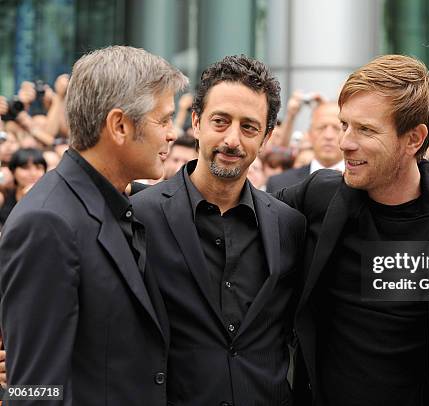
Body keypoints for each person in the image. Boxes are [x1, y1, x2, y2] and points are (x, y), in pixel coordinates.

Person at [276, 54, 429, 406]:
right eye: (345, 125)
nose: (345, 142)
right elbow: (238, 219)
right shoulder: (319, 198)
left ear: (414, 139)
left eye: (366, 130)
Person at [0, 45, 188, 405]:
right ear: (119, 125)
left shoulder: (116, 203)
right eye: (162, 120)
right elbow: (35, 392)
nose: (170, 134)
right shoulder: (47, 223)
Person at [131, 55, 306, 406]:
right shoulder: (139, 216)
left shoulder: (289, 225)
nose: (232, 140)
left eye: (249, 127)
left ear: (267, 136)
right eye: (220, 121)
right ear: (196, 122)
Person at [266, 101, 343, 193]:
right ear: (309, 134)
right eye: (321, 128)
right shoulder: (279, 184)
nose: (328, 136)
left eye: (336, 128)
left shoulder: (362, 184)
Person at [0, 148, 47, 227]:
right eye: (25, 168)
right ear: (13, 171)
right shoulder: (4, 195)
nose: (33, 173)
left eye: (38, 167)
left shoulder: (51, 197)